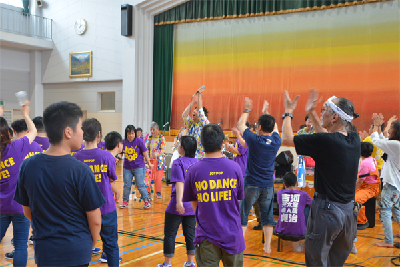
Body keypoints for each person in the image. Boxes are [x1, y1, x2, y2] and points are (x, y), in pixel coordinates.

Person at [14, 101, 106, 267]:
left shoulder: (27, 166)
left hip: (45, 252)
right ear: (68, 132)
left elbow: (28, 210)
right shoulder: (81, 171)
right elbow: (95, 219)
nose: (83, 132)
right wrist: (89, 243)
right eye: (80, 127)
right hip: (77, 251)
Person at [281, 89, 360, 267]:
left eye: (324, 109)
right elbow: (327, 137)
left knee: (316, 261)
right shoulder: (354, 139)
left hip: (327, 213)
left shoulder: (328, 142)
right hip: (347, 214)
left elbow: (286, 138)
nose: (321, 112)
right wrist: (311, 111)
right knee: (334, 262)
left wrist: (288, 112)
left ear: (334, 118)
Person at [182, 124, 245, 267]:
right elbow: (238, 199)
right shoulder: (235, 168)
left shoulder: (193, 171)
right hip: (232, 234)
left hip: (206, 236)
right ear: (223, 141)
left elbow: (193, 202)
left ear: (201, 143)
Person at [74, 119, 121, 265]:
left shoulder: (75, 158)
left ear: (82, 134)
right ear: (99, 135)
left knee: (84, 246)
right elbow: (111, 177)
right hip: (106, 208)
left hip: (84, 210)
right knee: (111, 245)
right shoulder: (107, 157)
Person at [237, 99, 281, 253]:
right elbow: (274, 127)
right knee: (268, 216)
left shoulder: (254, 139)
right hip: (268, 185)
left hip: (251, 184)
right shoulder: (276, 141)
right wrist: (267, 112)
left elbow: (240, 126)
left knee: (243, 215)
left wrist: (247, 109)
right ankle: (267, 247)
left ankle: (240, 247)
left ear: (259, 127)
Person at [0, 101, 37, 267]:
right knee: (21, 246)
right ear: (8, 133)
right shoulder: (16, 146)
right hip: (20, 206)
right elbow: (34, 131)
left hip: (1, 208)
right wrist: (25, 115)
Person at [158, 136, 198, 267]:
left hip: (177, 205)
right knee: (190, 234)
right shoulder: (198, 163)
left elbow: (180, 182)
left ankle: (168, 263)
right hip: (193, 206)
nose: (178, 145)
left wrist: (179, 202)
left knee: (170, 234)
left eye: (179, 143)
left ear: (184, 148)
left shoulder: (177, 162)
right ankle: (190, 262)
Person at [370, 114, 400, 248]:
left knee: (385, 210)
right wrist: (384, 126)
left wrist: (377, 125)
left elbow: (377, 141)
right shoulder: (395, 144)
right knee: (397, 210)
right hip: (396, 185)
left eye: (392, 128)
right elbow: (383, 141)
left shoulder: (396, 144)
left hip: (392, 184)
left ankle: (388, 240)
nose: (390, 130)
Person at [275, 172, 312, 248]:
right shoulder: (303, 194)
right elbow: (314, 204)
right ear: (297, 183)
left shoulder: (279, 193)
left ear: (283, 184)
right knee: (307, 207)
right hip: (300, 233)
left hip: (281, 232)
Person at [120, 125, 152, 209]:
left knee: (140, 184)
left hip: (138, 167)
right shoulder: (124, 142)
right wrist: (116, 158)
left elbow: (145, 152)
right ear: (126, 133)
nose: (131, 135)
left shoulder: (139, 141)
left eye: (132, 133)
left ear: (135, 133)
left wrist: (149, 163)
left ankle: (146, 201)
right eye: (129, 133)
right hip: (127, 167)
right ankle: (125, 202)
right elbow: (120, 153)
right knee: (127, 185)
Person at [182, 87, 209, 159]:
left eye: (196, 110)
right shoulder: (191, 124)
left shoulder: (204, 124)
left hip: (201, 157)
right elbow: (184, 115)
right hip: (190, 156)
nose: (193, 111)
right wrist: (193, 102)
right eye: (193, 110)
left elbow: (200, 111)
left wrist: (199, 95)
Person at [146, 122, 166, 199]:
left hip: (159, 161)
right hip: (150, 160)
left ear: (157, 130)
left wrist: (157, 154)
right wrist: (146, 155)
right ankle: (147, 191)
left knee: (158, 178)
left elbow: (163, 150)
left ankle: (158, 192)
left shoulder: (161, 138)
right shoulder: (149, 138)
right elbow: (147, 148)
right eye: (151, 130)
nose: (152, 131)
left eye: (153, 129)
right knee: (148, 176)